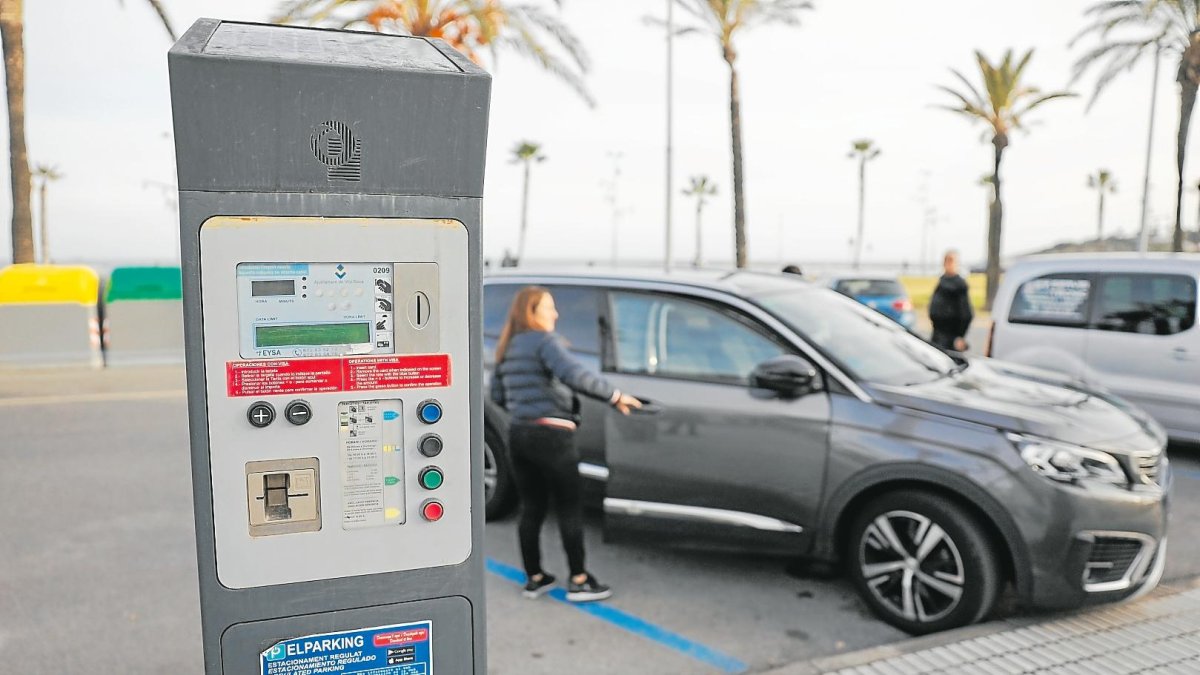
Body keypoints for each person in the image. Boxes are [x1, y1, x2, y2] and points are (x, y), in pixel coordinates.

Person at [490, 286, 642, 602]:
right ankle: (579, 580)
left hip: (520, 436)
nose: (555, 314)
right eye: (549, 308)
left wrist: (528, 410)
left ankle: (534, 578)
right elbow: (574, 374)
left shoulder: (508, 347)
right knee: (569, 507)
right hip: (553, 437)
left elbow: (498, 397)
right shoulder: (546, 343)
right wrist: (614, 397)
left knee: (531, 508)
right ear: (531, 312)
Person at [928, 250, 973, 352]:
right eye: (946, 261)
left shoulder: (959, 284)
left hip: (951, 336)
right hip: (937, 334)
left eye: (951, 261)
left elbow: (966, 313)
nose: (948, 264)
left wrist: (960, 336)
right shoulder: (942, 281)